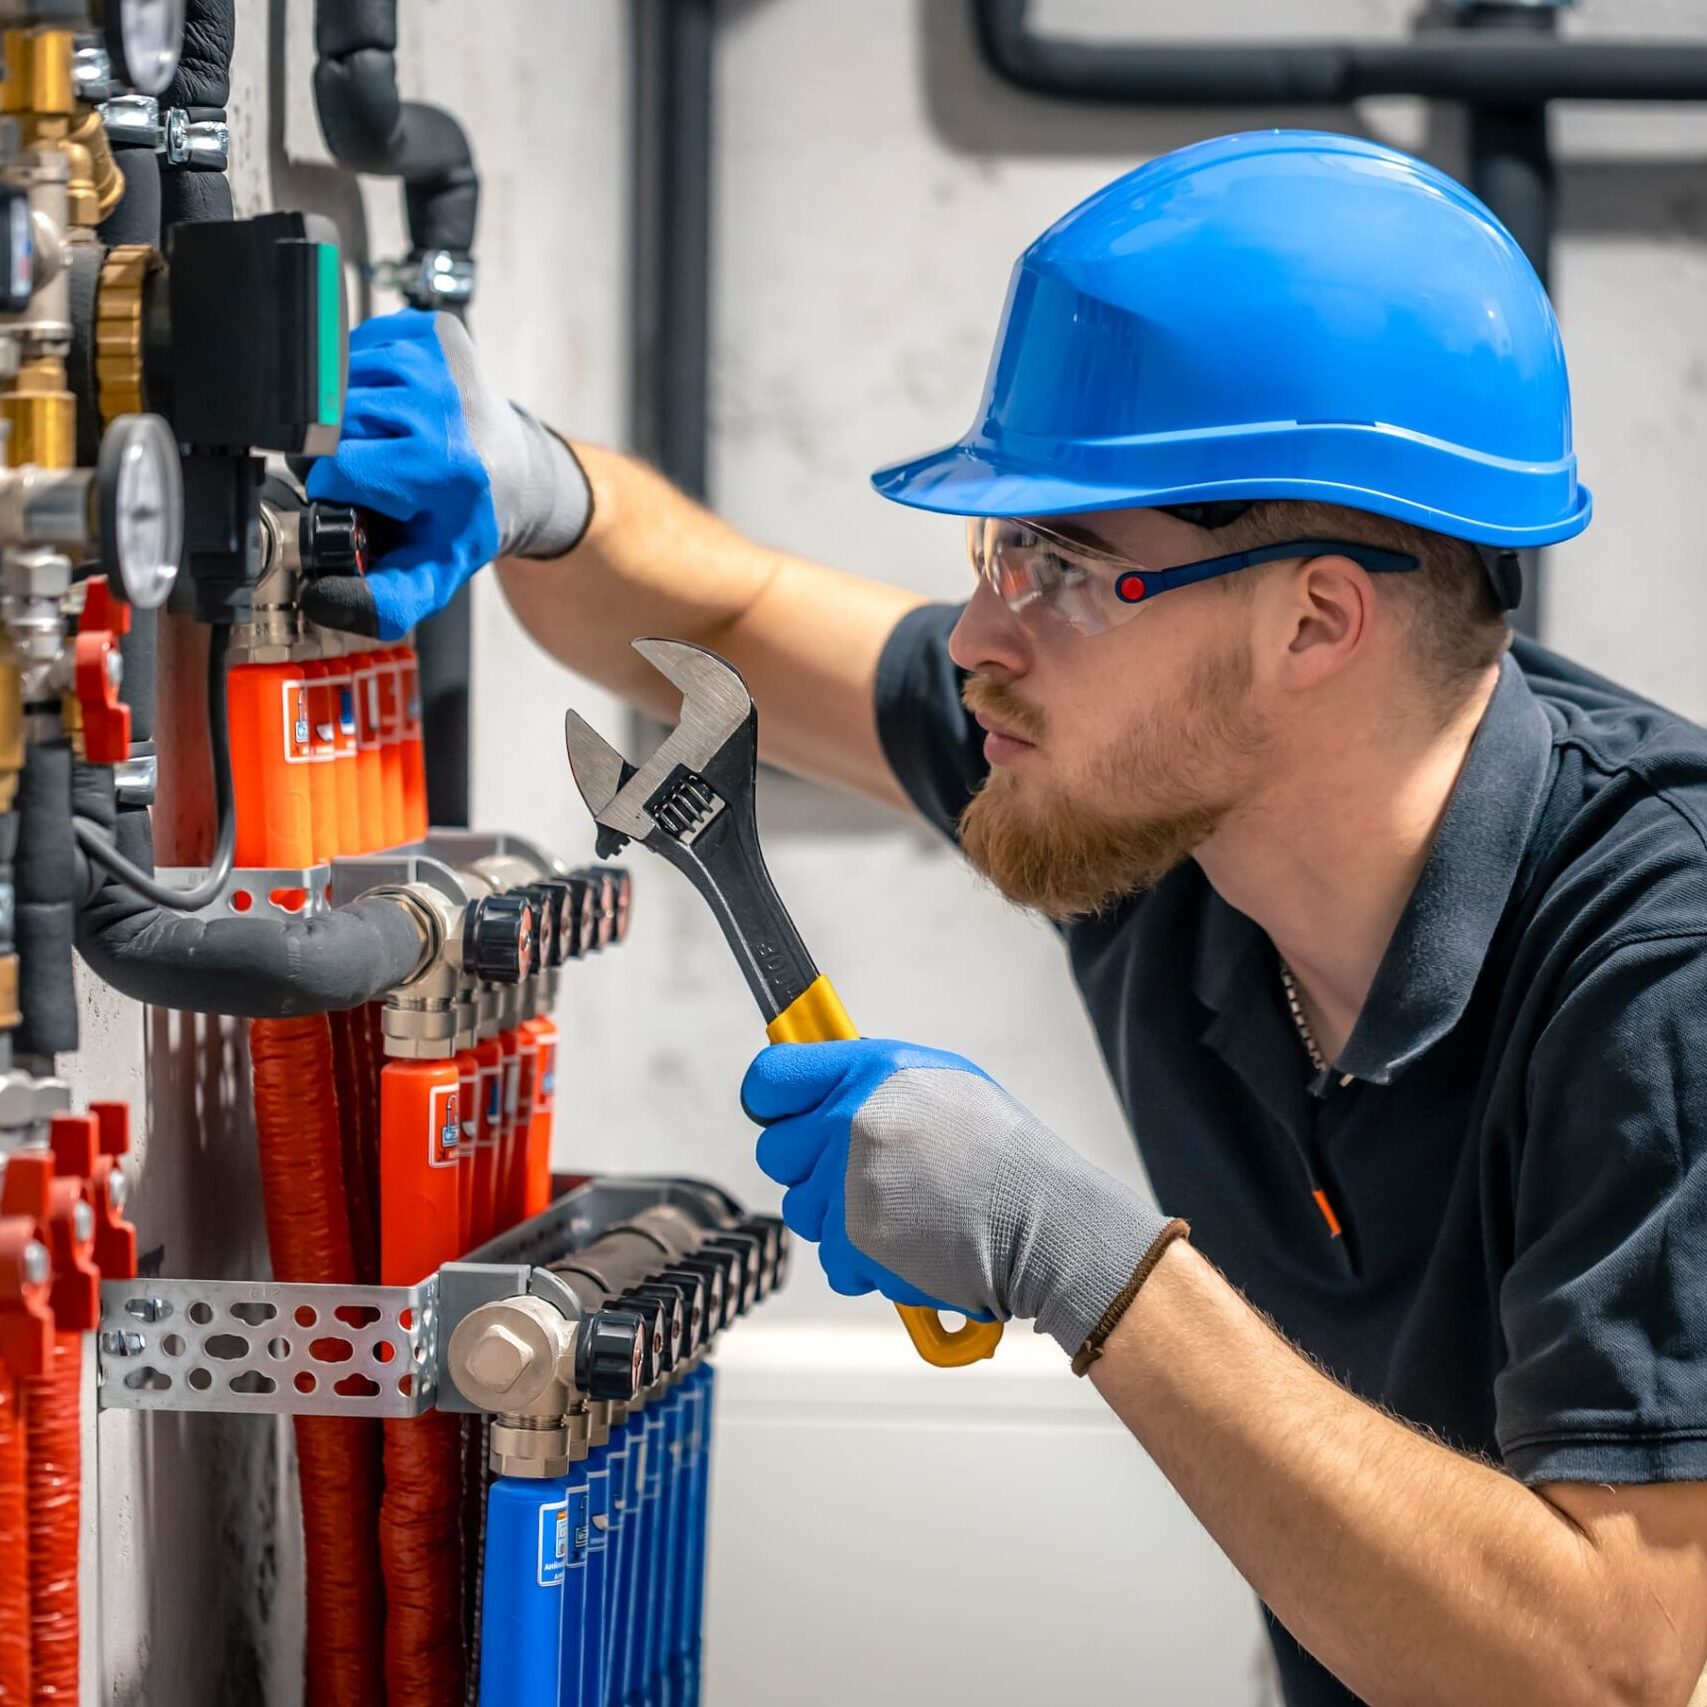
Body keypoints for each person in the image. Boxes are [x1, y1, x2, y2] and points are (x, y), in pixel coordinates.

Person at [308, 131, 1707, 1705]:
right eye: (998, 548)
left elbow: (1616, 1671)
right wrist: (544, 488)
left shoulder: (1664, 973)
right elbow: (714, 618)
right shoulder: (1164, 801)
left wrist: (1085, 1260)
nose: (978, 632)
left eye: (1057, 559)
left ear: (1316, 618)